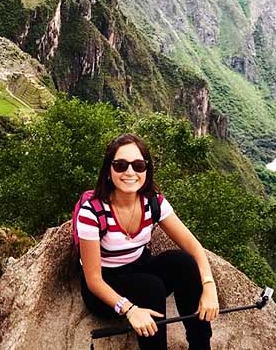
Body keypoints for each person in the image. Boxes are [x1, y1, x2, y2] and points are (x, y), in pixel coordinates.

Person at [76, 133, 218, 350]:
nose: (130, 172)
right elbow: (94, 280)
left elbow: (193, 246)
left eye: (138, 165)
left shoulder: (153, 202)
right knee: (150, 288)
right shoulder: (92, 212)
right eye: (120, 165)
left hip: (138, 267)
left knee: (183, 262)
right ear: (108, 170)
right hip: (105, 285)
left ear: (147, 169)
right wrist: (130, 309)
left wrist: (209, 287)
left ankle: (200, 345)